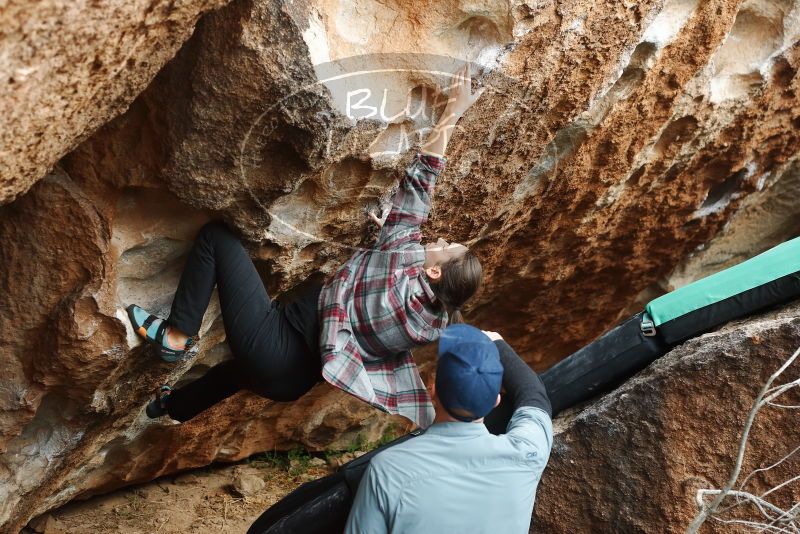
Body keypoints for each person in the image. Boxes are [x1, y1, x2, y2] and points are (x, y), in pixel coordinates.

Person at [126, 65, 485, 426]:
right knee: (234, 374)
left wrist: (452, 112)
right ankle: (171, 408)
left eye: (445, 246)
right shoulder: (430, 321)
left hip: (273, 345)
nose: (438, 239)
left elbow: (420, 186)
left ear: (435, 271)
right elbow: (388, 290)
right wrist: (385, 248)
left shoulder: (396, 266)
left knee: (216, 239)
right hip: (292, 381)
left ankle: (176, 335)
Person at [344, 324, 553, 534]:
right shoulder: (528, 453)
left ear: (433, 391)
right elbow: (534, 395)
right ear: (496, 400)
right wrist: (498, 344)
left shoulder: (387, 471)